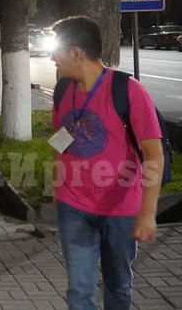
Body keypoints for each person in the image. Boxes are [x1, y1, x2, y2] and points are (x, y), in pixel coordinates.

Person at [50, 16, 163, 309]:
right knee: (79, 290)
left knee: (118, 286)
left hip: (121, 209)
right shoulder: (63, 91)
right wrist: (57, 183)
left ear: (77, 52)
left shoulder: (127, 90)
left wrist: (148, 212)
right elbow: (60, 139)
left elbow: (153, 153)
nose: (53, 59)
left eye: (57, 51)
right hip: (74, 205)